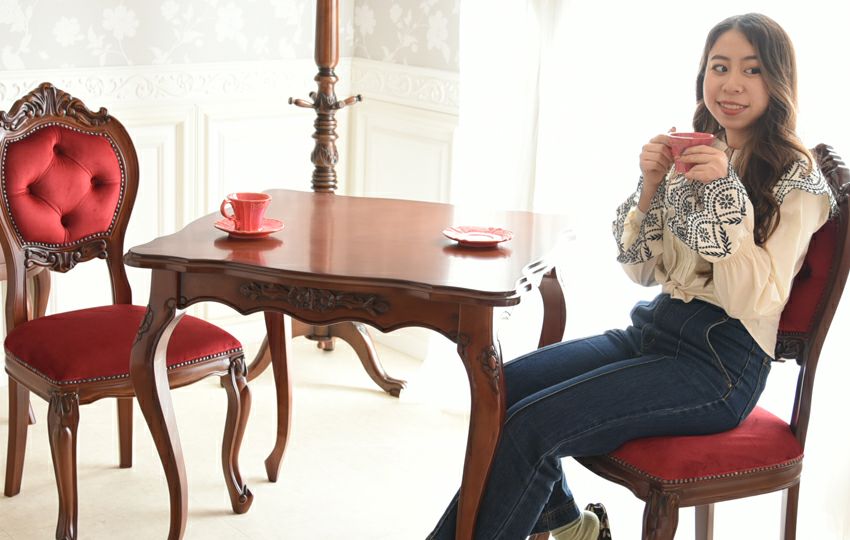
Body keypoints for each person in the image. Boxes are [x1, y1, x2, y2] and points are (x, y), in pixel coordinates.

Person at [428, 12, 836, 540]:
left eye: (751, 69)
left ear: (778, 80)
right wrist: (650, 187)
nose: (732, 84)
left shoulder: (797, 180)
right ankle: (573, 528)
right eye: (719, 67)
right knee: (501, 388)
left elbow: (753, 301)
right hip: (655, 330)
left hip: (721, 367)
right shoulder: (702, 150)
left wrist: (724, 196)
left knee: (533, 427)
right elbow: (642, 272)